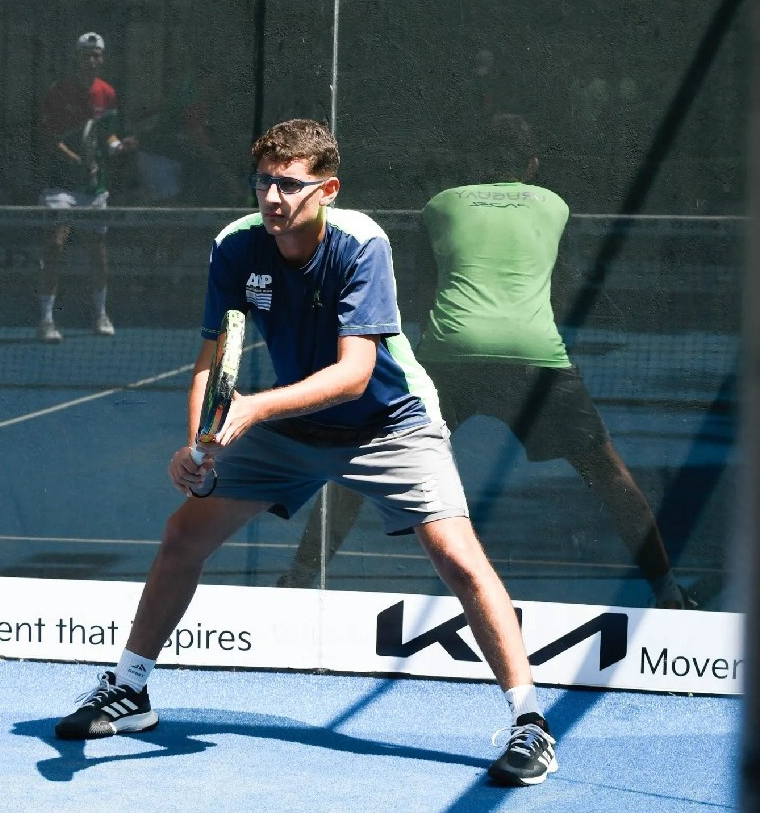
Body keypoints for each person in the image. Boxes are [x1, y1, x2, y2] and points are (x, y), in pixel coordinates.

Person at [54, 118, 558, 787]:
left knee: (459, 561)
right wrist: (200, 445)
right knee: (182, 536)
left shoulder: (360, 244)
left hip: (388, 424)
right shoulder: (236, 246)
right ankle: (129, 689)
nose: (272, 197)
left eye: (289, 184)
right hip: (292, 429)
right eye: (264, 181)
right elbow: (212, 358)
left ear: (327, 189)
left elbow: (354, 373)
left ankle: (530, 723)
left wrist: (256, 408)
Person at [280, 114, 694, 611]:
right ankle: (670, 593)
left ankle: (298, 580)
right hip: (537, 359)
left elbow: (424, 288)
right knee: (609, 475)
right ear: (532, 166)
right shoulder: (554, 205)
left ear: (473, 164)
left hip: (448, 356)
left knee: (361, 463)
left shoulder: (442, 205)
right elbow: (560, 286)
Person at [36, 32, 136, 343]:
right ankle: (46, 319)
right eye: (86, 55)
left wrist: (118, 146)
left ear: (102, 59)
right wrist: (77, 160)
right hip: (60, 184)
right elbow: (48, 138)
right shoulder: (57, 92)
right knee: (55, 243)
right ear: (76, 58)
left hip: (93, 186)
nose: (91, 60)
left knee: (97, 250)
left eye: (96, 55)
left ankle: (101, 314)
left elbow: (107, 135)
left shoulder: (107, 93)